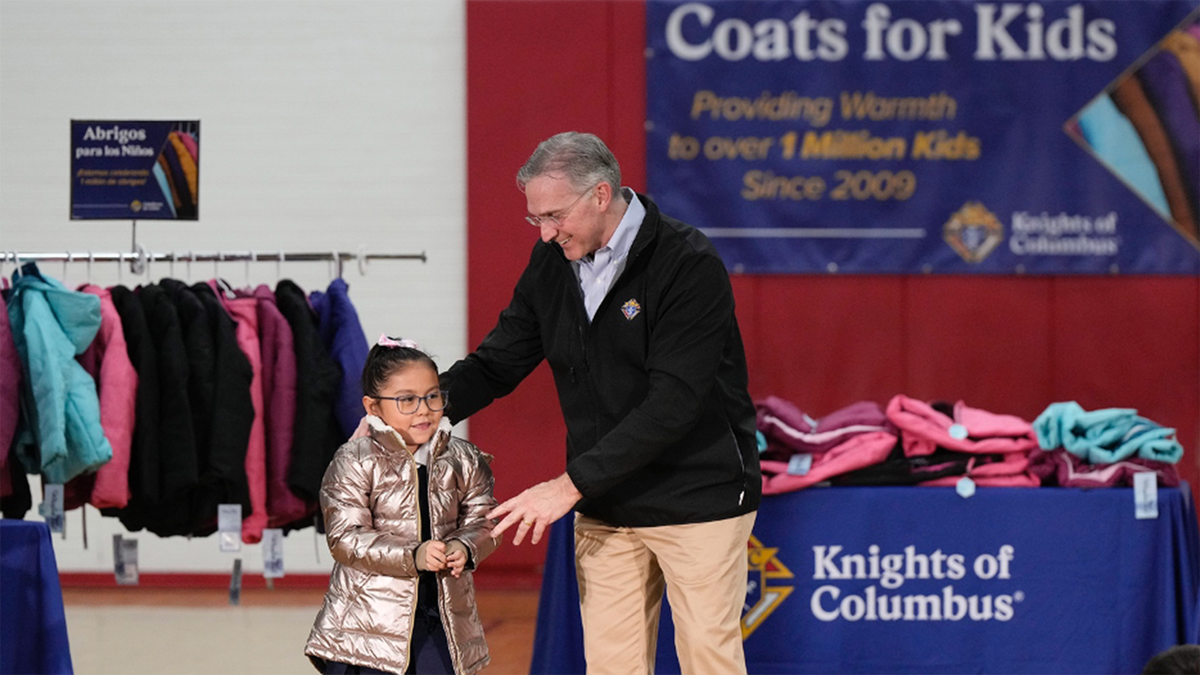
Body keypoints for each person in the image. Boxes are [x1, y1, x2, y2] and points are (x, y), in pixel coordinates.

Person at [440, 131, 762, 675]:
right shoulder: (552, 261)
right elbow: (497, 362)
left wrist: (566, 486)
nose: (544, 234)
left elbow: (674, 403)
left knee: (709, 659)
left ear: (601, 194)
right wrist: (412, 410)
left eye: (554, 216)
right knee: (612, 666)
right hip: (608, 503)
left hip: (697, 497)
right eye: (535, 219)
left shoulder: (687, 263)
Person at [306, 335, 500, 675]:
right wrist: (414, 556)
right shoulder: (354, 460)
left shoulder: (465, 458)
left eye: (432, 396)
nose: (423, 409)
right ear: (372, 406)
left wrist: (465, 546)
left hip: (441, 620)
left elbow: (485, 519)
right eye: (407, 400)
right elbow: (346, 538)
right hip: (367, 626)